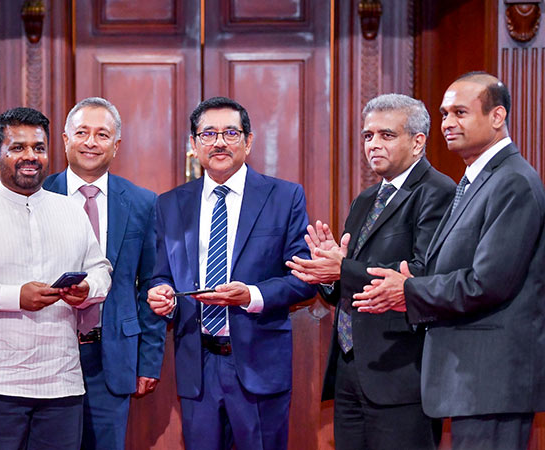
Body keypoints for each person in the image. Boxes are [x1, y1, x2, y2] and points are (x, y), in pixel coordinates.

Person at [352, 73, 545, 450]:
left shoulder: (513, 181)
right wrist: (409, 284)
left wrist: (409, 290)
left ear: (497, 116)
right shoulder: (477, 179)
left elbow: (488, 283)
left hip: (491, 380)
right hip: (472, 381)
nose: (447, 123)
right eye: (444, 114)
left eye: (460, 112)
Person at [0, 107, 112, 450]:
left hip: (62, 381)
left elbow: (100, 269)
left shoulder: (71, 211)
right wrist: (14, 297)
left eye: (38, 148)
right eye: (18, 147)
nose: (30, 156)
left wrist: (88, 289)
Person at [286, 93, 454, 449]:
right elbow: (347, 284)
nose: (373, 144)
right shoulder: (365, 199)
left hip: (401, 371)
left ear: (418, 142)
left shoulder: (437, 191)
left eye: (386, 135)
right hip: (351, 368)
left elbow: (423, 273)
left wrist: (343, 268)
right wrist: (328, 272)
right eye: (367, 135)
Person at [147, 96, 315, 450]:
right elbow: (161, 274)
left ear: (248, 141)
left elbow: (304, 279)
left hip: (259, 365)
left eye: (230, 133)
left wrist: (252, 296)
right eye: (208, 134)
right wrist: (162, 294)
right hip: (198, 366)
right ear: (194, 144)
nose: (219, 142)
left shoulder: (284, 197)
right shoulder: (170, 204)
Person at [42, 97, 165, 450]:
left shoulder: (142, 202)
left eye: (102, 134)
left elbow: (151, 283)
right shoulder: (38, 194)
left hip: (111, 356)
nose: (91, 142)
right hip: (47, 352)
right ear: (65, 139)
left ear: (116, 145)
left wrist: (149, 361)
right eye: (82, 132)